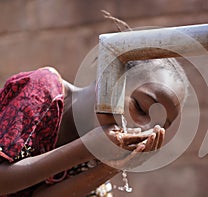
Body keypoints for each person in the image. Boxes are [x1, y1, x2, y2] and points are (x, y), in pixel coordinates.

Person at [0, 55, 189, 196]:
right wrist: (86, 148)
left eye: (156, 127)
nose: (141, 128)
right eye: (140, 107)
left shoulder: (101, 152)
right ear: (109, 79)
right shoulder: (43, 90)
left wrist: (112, 166)